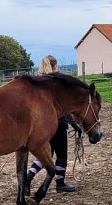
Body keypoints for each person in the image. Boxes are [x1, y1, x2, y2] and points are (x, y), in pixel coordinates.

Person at [26, 55, 83, 193]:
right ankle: (60, 183)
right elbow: (64, 109)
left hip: (43, 126)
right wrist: (75, 126)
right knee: (61, 155)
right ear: (54, 65)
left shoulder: (38, 83)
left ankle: (28, 178)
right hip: (58, 125)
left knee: (45, 156)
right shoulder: (56, 85)